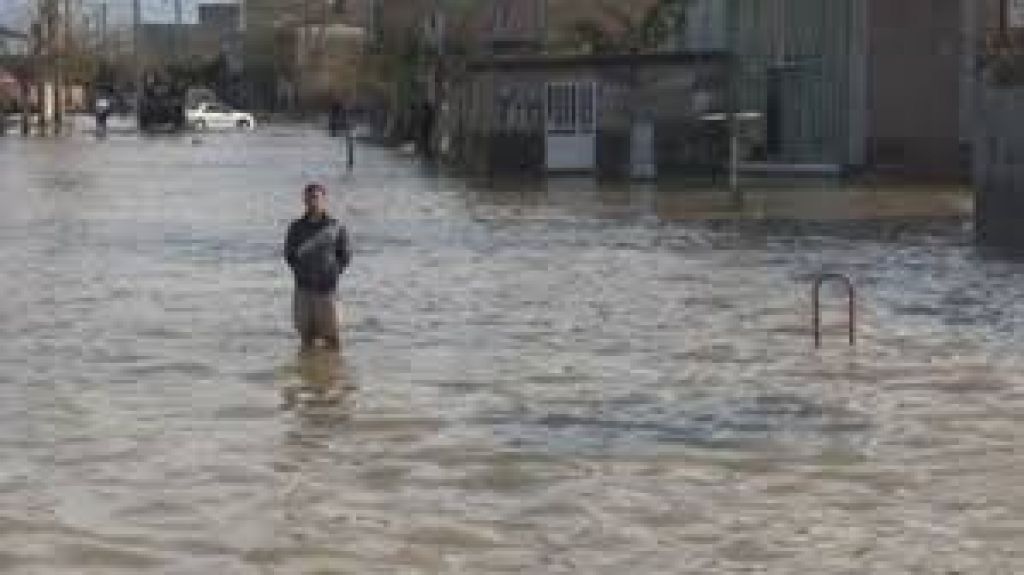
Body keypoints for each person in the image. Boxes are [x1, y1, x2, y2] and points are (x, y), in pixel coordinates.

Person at [284, 183, 352, 350]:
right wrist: (300, 273)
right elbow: (289, 255)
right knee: (305, 337)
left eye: (316, 197)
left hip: (327, 290)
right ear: (304, 200)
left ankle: (334, 372)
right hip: (303, 289)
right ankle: (308, 372)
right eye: (308, 198)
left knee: (333, 339)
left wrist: (332, 273)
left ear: (324, 200)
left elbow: (345, 255)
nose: (312, 201)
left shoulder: (336, 226)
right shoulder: (296, 227)